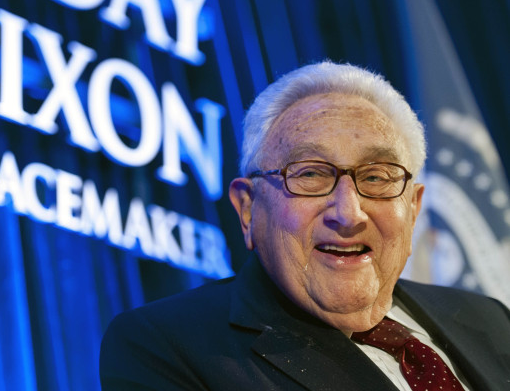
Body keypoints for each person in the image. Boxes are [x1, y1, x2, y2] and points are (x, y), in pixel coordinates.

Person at [99, 62, 510, 390]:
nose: (349, 214)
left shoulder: (490, 320)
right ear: (248, 208)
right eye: (310, 174)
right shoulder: (168, 347)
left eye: (376, 177)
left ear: (414, 207)